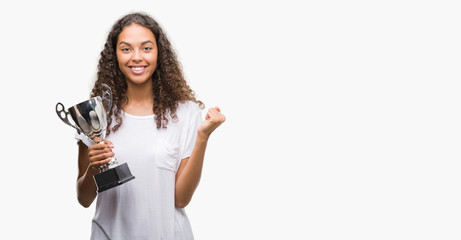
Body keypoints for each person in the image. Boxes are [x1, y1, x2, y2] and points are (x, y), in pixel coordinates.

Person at [75, 12, 225, 240]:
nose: (137, 57)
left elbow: (181, 199)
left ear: (159, 53)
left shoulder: (185, 113)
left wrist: (203, 137)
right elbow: (84, 199)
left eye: (146, 48)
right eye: (126, 49)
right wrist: (95, 168)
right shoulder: (97, 114)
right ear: (114, 55)